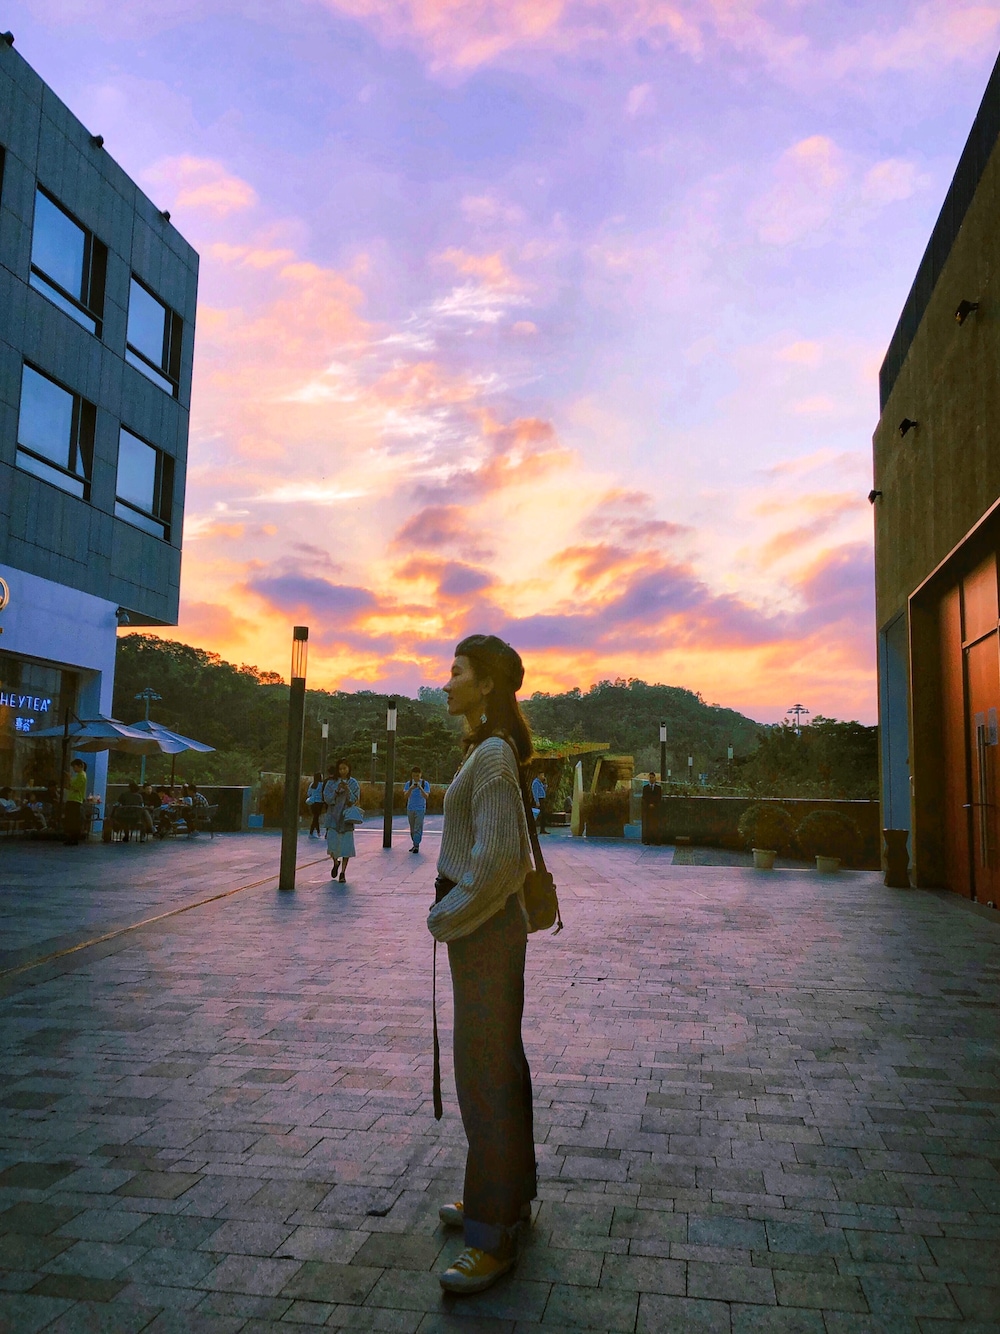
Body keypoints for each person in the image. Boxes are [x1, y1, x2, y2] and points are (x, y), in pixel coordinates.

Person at [427, 633, 536, 1295]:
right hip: (489, 930)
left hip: (485, 931)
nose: (447, 682)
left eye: (458, 671)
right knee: (500, 1066)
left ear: (487, 684)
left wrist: (446, 916)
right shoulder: (489, 750)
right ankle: (508, 1196)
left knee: (485, 1075)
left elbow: (498, 862)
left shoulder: (492, 755)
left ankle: (492, 1236)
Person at [323, 759, 360, 882]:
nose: (342, 771)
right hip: (333, 817)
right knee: (332, 845)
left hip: (347, 818)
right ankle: (335, 862)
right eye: (340, 769)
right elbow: (327, 799)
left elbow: (354, 800)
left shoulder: (353, 783)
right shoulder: (331, 782)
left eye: (345, 768)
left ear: (349, 769)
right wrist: (336, 790)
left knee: (346, 847)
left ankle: (343, 872)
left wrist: (348, 790)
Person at [404, 766, 430, 853]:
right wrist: (411, 788)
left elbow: (426, 796)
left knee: (418, 828)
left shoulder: (425, 784)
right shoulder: (408, 784)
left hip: (420, 809)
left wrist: (420, 788)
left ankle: (416, 845)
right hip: (410, 808)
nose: (416, 778)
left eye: (417, 776)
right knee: (412, 828)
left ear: (420, 775)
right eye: (414, 776)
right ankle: (414, 843)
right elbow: (405, 796)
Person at [63, 758, 88, 845]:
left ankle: (73, 838)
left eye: (75, 767)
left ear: (80, 766)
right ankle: (71, 837)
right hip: (72, 798)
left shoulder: (82, 776)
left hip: (75, 800)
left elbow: (75, 786)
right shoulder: (78, 776)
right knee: (71, 819)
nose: (74, 769)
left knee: (73, 820)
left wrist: (69, 779)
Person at [306, 771, 326, 838]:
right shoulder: (322, 785)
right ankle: (312, 832)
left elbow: (308, 793)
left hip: (312, 802)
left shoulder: (312, 784)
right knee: (316, 817)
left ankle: (318, 832)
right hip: (319, 802)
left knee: (315, 817)